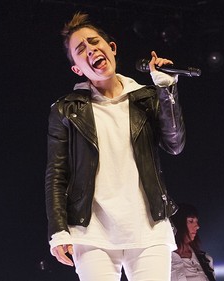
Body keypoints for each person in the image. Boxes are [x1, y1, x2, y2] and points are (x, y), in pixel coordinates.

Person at [45, 11, 186, 281]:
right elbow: (56, 175)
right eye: (80, 49)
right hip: (92, 231)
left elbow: (175, 143)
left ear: (111, 48)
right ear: (77, 68)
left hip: (149, 227)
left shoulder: (145, 98)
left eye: (94, 42)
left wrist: (166, 89)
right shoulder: (66, 109)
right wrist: (58, 230)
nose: (91, 50)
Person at [170, 203, 216, 281]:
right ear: (179, 223)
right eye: (191, 221)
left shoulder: (206, 260)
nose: (197, 226)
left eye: (196, 221)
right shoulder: (165, 258)